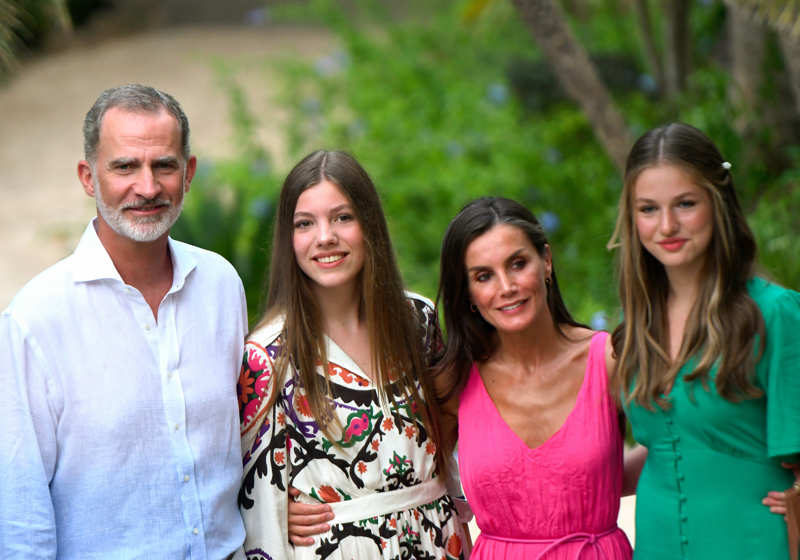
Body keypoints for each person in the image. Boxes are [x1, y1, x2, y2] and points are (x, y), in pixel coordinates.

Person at [0, 84, 247, 559]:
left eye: (164, 165)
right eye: (125, 166)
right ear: (88, 177)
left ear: (188, 172)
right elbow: (19, 513)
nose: (148, 187)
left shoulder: (220, 286)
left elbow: (248, 440)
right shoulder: (34, 321)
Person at [237, 150, 468, 559]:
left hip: (437, 540)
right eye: (305, 224)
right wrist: (276, 512)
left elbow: (449, 443)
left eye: (342, 217)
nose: (325, 236)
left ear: (370, 225)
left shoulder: (418, 320)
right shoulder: (267, 356)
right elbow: (257, 511)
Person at [608, 122, 800, 558]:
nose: (667, 225)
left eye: (686, 204)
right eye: (649, 209)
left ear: (718, 202)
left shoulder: (777, 315)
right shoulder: (637, 328)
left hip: (754, 542)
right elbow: (671, 445)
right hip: (659, 543)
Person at [432, 197, 636, 559]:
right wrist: (300, 502)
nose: (507, 286)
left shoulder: (609, 360)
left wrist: (597, 484)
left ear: (546, 261)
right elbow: (408, 476)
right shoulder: (455, 380)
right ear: (469, 294)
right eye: (484, 276)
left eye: (518, 264)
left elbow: (681, 443)